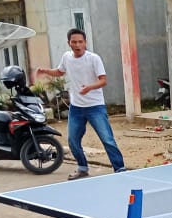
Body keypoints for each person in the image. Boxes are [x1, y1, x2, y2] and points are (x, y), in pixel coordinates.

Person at [35, 28, 125, 179]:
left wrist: (89, 87)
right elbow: (60, 71)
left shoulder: (93, 58)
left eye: (80, 42)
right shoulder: (66, 57)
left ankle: (120, 169)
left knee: (107, 139)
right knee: (72, 140)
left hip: (95, 106)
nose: (77, 45)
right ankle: (82, 168)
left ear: (85, 43)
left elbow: (103, 80)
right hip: (76, 108)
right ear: (69, 43)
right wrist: (45, 71)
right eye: (74, 42)